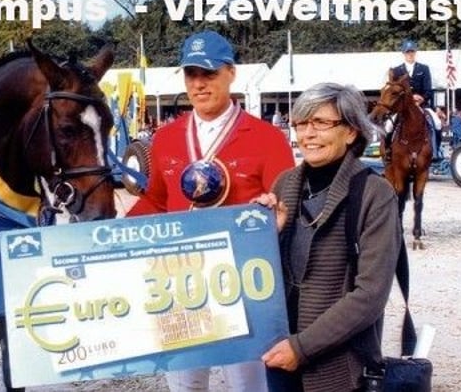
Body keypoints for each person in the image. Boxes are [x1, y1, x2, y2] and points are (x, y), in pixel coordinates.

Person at [127, 30, 295, 392]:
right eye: (191, 74)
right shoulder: (166, 137)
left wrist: (273, 211)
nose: (199, 84)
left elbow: (287, 206)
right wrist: (112, 237)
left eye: (209, 73)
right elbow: (155, 201)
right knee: (185, 387)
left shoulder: (267, 137)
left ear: (231, 73)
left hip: (243, 287)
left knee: (248, 387)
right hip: (180, 285)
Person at [255, 83, 402, 391]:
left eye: (321, 122)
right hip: (279, 354)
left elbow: (370, 295)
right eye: (301, 123)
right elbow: (262, 278)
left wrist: (302, 348)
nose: (308, 134)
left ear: (350, 132)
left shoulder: (375, 194)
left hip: (339, 368)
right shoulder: (284, 184)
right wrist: (264, 237)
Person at [387, 39, 441, 160]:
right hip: (403, 107)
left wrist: (422, 98)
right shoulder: (397, 71)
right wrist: (410, 98)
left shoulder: (424, 68)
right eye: (407, 52)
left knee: (437, 123)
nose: (410, 54)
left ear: (415, 52)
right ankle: (388, 150)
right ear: (403, 53)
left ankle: (435, 151)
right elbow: (394, 92)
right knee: (388, 126)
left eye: (412, 51)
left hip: (422, 105)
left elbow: (428, 90)